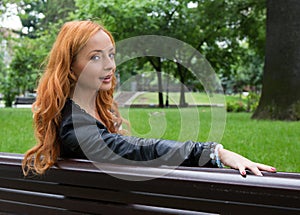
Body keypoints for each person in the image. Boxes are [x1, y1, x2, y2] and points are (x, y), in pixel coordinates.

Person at [22, 20, 276, 177]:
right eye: (95, 57)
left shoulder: (86, 113)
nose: (110, 65)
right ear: (70, 67)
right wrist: (214, 152)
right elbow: (137, 149)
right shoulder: (76, 126)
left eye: (111, 54)